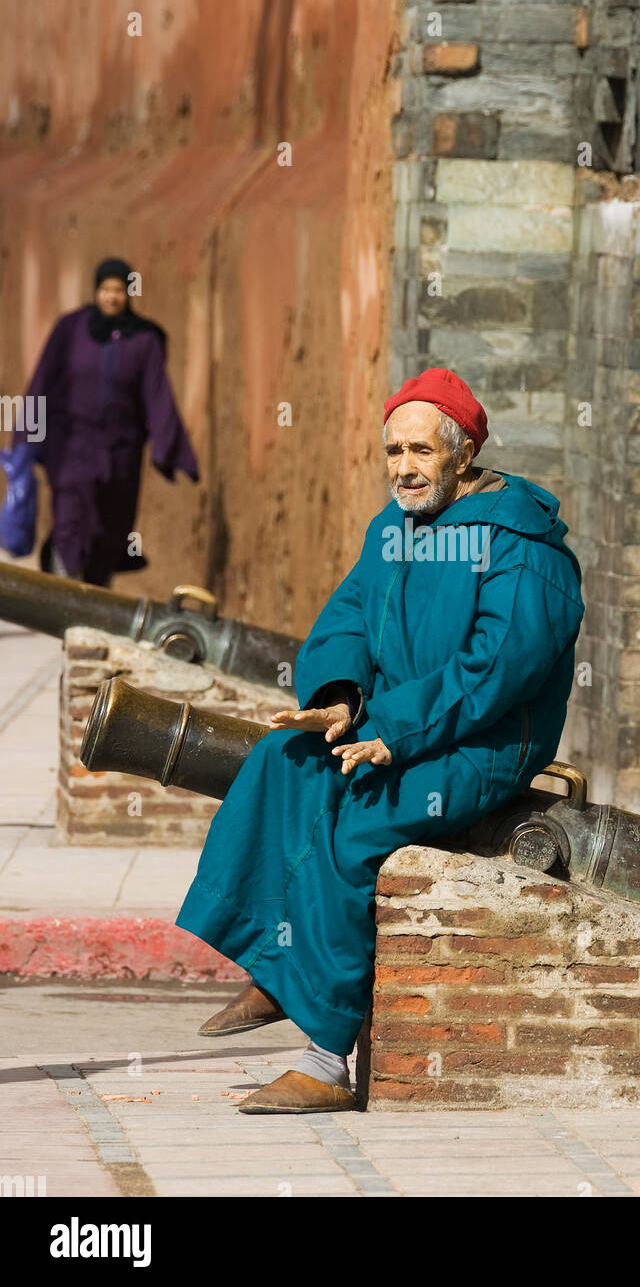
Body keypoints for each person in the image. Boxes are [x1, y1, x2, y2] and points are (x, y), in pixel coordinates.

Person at [178, 367, 585, 1113]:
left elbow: (491, 674)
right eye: (393, 451)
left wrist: (393, 735)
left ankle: (327, 1060)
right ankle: (282, 967)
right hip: (393, 724)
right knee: (282, 762)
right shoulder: (391, 529)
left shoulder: (522, 547)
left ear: (462, 456)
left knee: (355, 829)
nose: (403, 468)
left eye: (420, 453)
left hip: (479, 746)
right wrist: (338, 700)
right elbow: (349, 617)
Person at [11, 257, 198, 586]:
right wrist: (26, 439)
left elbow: (158, 396)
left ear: (129, 294)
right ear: (95, 291)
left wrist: (171, 449)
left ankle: (95, 605)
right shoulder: (70, 329)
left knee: (106, 535)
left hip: (119, 458)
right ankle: (67, 601)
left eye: (119, 290)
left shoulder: (144, 340)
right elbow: (42, 383)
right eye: (106, 289)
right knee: (69, 524)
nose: (112, 297)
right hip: (70, 450)